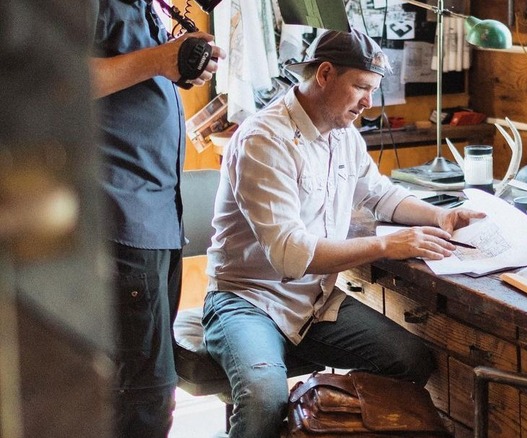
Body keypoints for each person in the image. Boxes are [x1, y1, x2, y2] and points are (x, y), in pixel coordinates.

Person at [202, 29, 485, 437]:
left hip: (314, 304)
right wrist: (386, 244)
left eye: (373, 90)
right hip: (249, 300)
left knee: (409, 361)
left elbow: (381, 195)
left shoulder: (344, 134)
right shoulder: (264, 140)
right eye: (361, 88)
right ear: (325, 74)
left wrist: (437, 217)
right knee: (264, 397)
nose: (369, 102)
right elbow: (289, 255)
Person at [88, 1, 224, 436]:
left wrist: (175, 65)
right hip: (123, 217)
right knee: (143, 394)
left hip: (159, 218)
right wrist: (160, 59)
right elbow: (61, 78)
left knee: (151, 390)